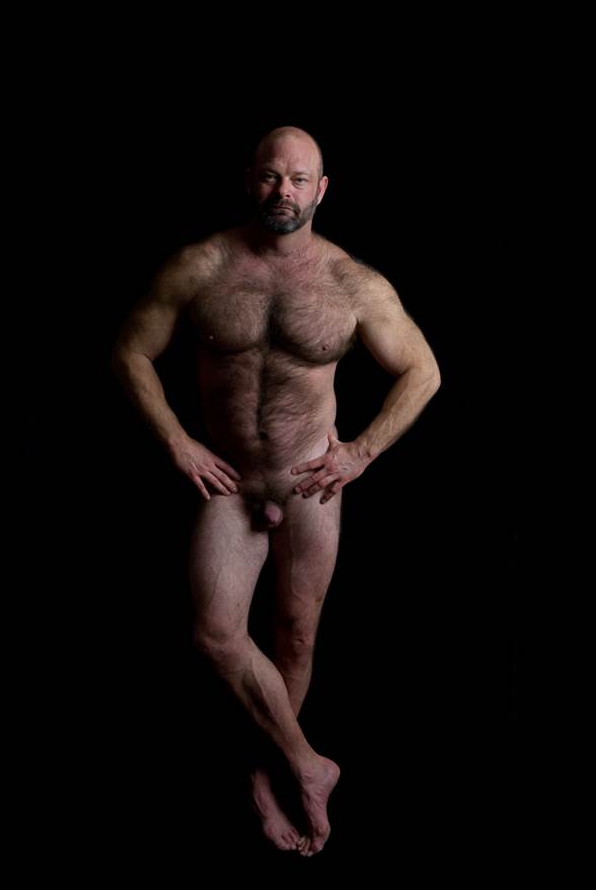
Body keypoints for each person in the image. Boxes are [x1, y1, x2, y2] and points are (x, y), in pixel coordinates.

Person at [110, 125, 441, 857]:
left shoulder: (353, 283)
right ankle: (308, 762)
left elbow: (424, 371)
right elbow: (131, 349)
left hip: (308, 483)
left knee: (295, 634)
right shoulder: (201, 266)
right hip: (228, 481)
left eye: (297, 179)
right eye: (269, 176)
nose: (281, 191)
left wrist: (361, 452)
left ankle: (269, 781)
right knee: (214, 633)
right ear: (249, 180)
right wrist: (176, 440)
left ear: (321, 190)